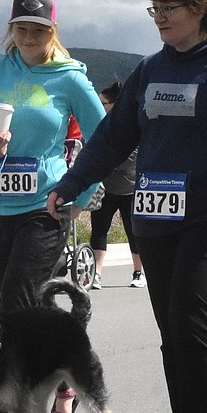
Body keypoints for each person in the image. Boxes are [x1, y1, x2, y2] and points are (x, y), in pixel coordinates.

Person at [49, 0, 207, 413]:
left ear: (202, 8)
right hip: (155, 217)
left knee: (190, 317)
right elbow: (113, 137)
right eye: (153, 7)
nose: (158, 17)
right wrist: (71, 183)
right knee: (171, 329)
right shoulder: (150, 69)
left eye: (169, 7)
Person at [0, 0, 104, 413]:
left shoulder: (70, 78)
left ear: (52, 32)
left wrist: (79, 196)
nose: (27, 37)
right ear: (11, 29)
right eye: (20, 28)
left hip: (47, 206)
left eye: (37, 30)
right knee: (22, 302)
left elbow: (107, 140)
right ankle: (65, 366)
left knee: (15, 305)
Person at [88, 82, 145, 290]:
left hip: (130, 189)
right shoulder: (100, 124)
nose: (99, 105)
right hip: (105, 187)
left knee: (133, 232)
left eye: (103, 102)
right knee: (99, 230)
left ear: (114, 103)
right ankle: (96, 274)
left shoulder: (133, 123)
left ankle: (138, 272)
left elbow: (127, 159)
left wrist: (103, 159)